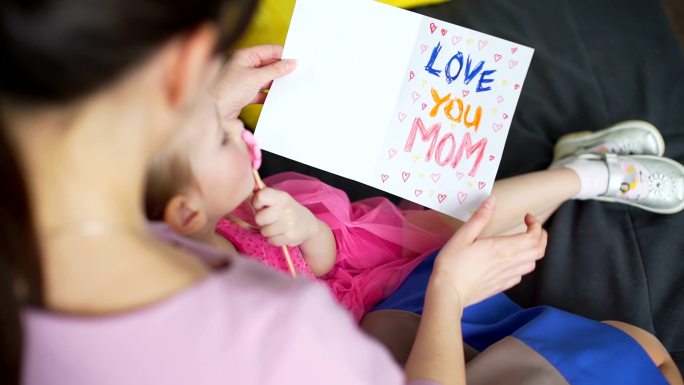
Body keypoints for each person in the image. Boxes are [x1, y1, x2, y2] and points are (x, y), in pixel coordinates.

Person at [0, 1, 548, 385]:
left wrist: (205, 108)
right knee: (625, 345)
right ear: (184, 63)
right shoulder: (278, 327)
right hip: (400, 313)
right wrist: (448, 293)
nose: (241, 134)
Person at [145, 104, 684, 321]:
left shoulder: (237, 208)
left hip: (343, 255)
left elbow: (326, 260)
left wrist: (304, 226)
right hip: (361, 317)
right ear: (187, 211)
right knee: (466, 244)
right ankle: (580, 172)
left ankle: (587, 175)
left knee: (456, 219)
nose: (242, 135)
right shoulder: (200, 301)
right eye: (222, 141)